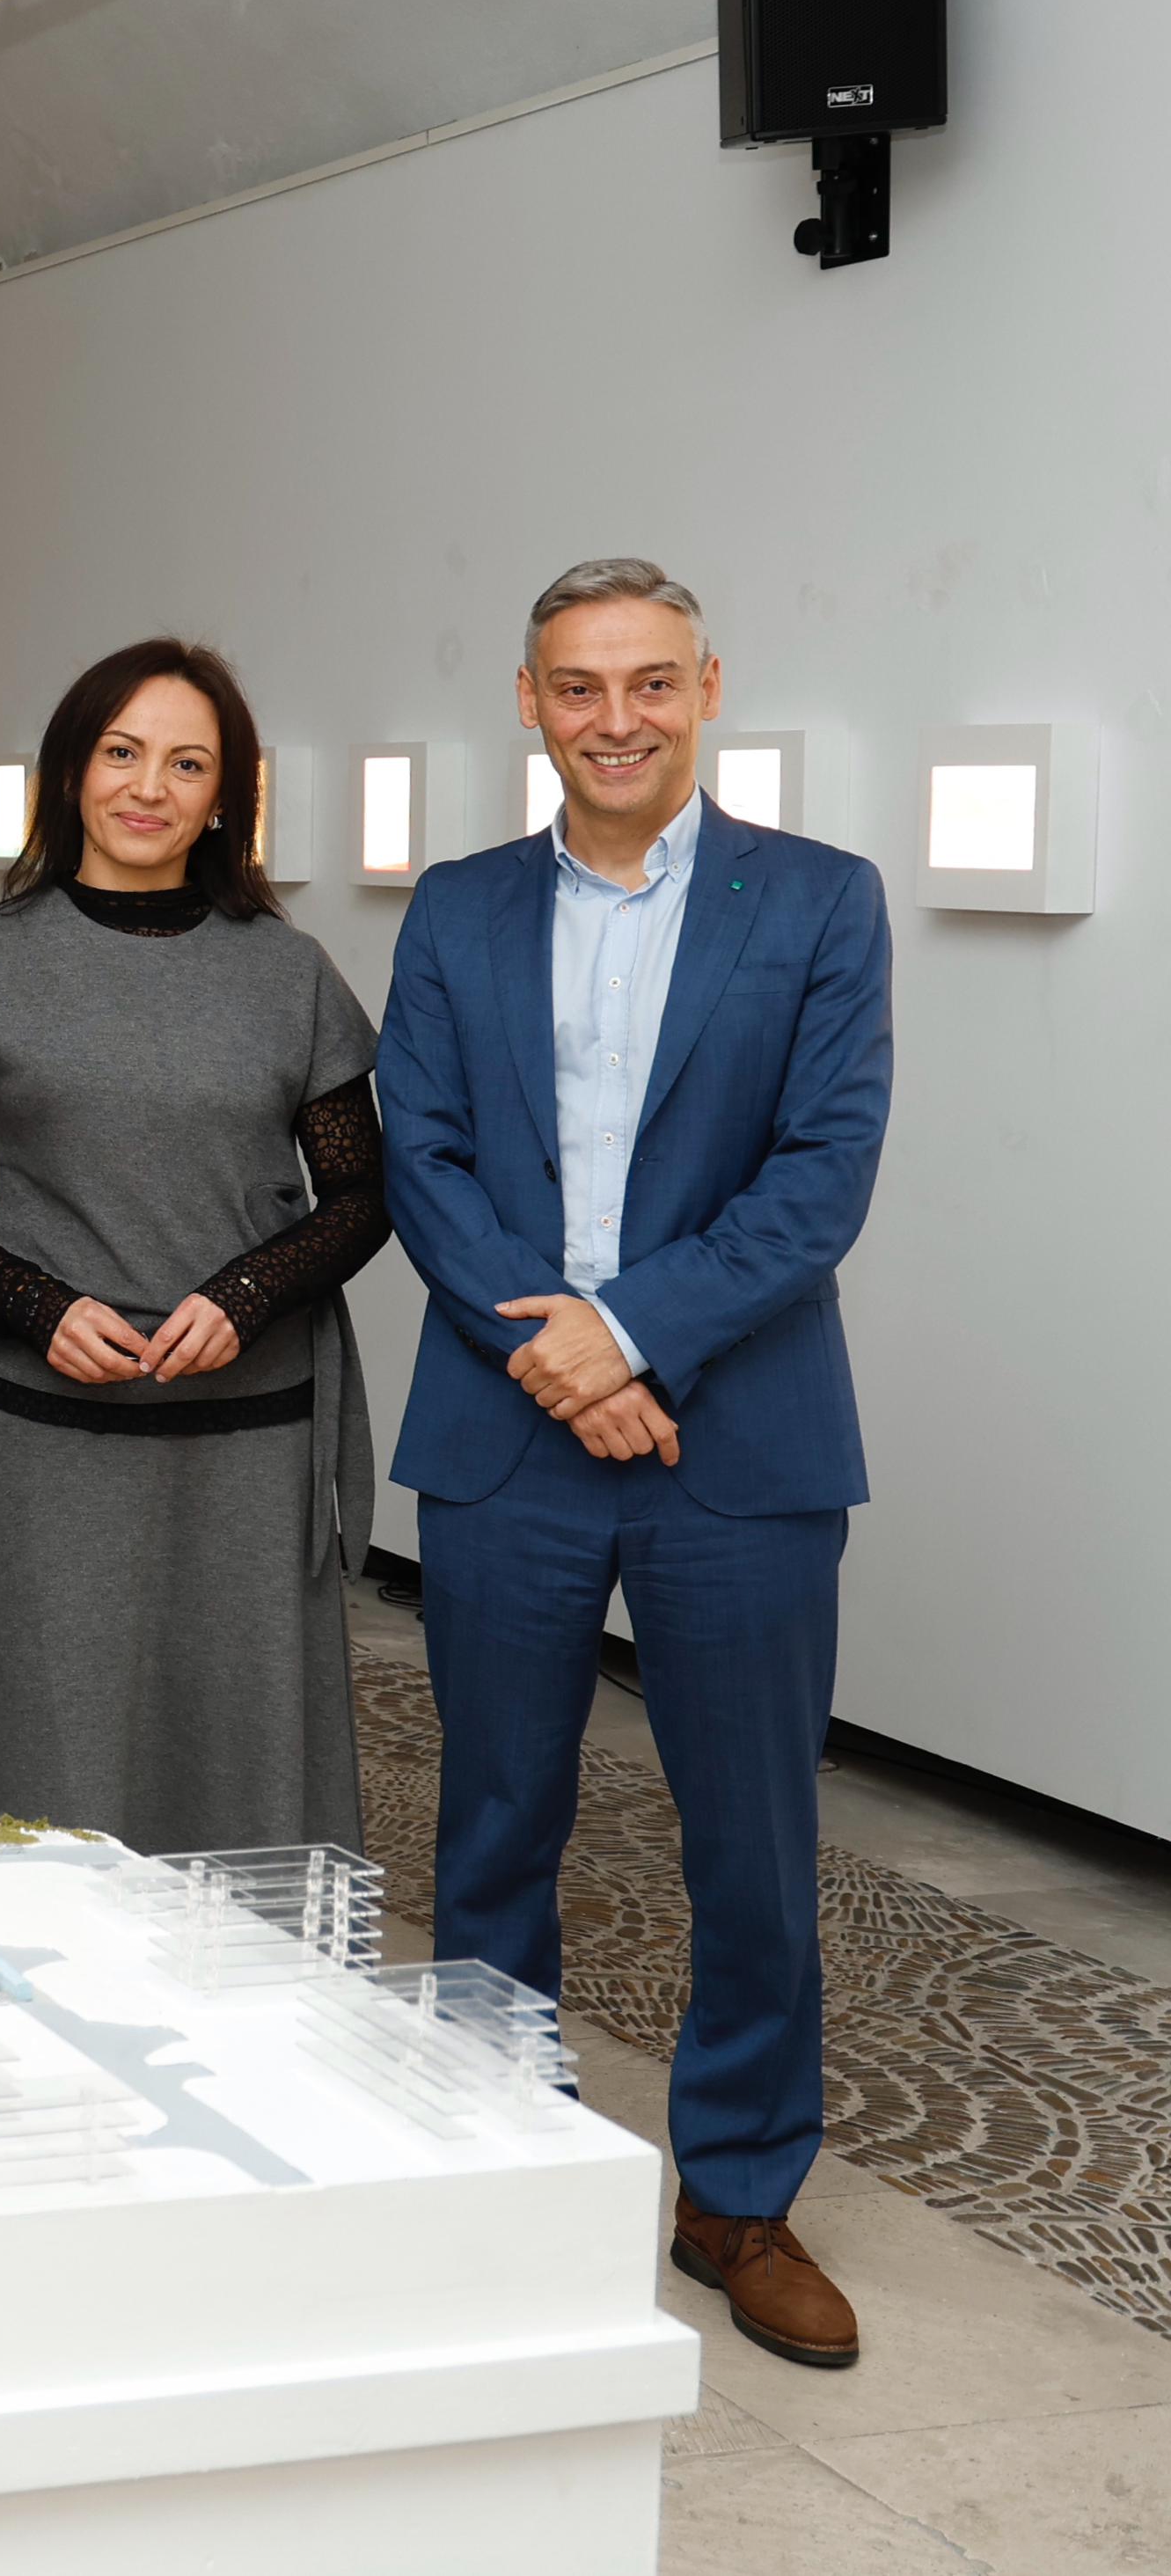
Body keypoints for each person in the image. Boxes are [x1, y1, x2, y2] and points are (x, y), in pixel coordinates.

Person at [381, 558, 891, 2372]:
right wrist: (558, 1351)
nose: (617, 718)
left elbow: (821, 1174)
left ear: (708, 688)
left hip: (738, 1441)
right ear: (529, 700)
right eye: (580, 685)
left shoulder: (817, 899)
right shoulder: (456, 906)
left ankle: (738, 2195)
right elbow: (422, 1153)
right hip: (508, 1427)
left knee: (750, 1842)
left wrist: (631, 1333)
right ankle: (494, 2158)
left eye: (651, 682)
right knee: (492, 1823)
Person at [0, 640, 391, 1851]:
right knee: (45, 1741)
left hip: (247, 1435)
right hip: (52, 1428)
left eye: (187, 763)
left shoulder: (289, 974)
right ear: (71, 770)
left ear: (225, 798)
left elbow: (361, 1195)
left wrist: (250, 1292)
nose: (148, 787)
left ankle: (251, 1963)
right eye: (121, 752)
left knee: (239, 1744)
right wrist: (36, 1306)